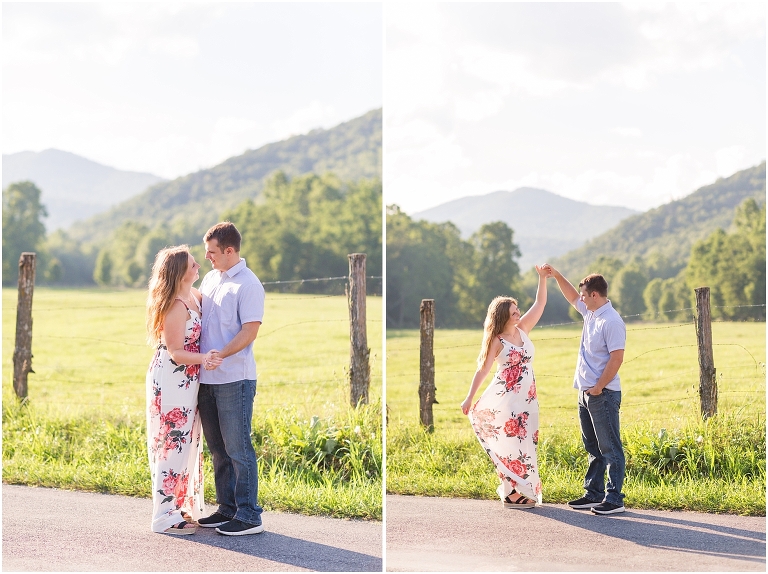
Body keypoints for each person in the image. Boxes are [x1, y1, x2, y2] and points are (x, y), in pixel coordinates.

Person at [145, 245, 222, 535]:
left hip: (188, 379)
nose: (198, 267)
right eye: (192, 265)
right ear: (179, 272)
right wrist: (205, 358)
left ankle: (180, 505)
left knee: (188, 442)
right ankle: (163, 516)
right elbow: (176, 351)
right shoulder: (175, 305)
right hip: (171, 377)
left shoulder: (194, 296)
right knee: (171, 442)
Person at [196, 221, 266, 536]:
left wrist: (220, 356)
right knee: (218, 449)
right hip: (206, 378)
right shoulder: (211, 279)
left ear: (229, 250)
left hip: (234, 378)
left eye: (212, 252)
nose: (207, 258)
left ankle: (249, 516)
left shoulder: (249, 285)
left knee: (238, 448)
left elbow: (249, 331)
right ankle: (227, 509)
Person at [460, 265, 550, 509]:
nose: (518, 314)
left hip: (528, 400)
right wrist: (469, 398)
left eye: (517, 310)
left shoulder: (523, 330)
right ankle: (512, 493)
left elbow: (540, 304)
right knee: (512, 444)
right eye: (513, 313)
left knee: (526, 445)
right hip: (507, 401)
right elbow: (484, 369)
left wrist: (542, 279)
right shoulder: (497, 341)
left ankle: (515, 491)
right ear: (502, 317)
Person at [543, 264, 626, 515]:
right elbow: (570, 295)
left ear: (594, 295)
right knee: (592, 446)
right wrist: (556, 275)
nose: (579, 298)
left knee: (610, 447)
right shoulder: (591, 313)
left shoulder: (611, 321)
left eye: (584, 294)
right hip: (585, 393)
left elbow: (617, 358)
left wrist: (599, 388)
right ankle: (594, 493)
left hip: (603, 394)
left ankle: (614, 499)